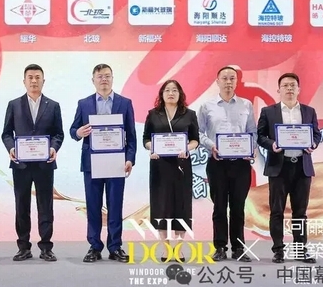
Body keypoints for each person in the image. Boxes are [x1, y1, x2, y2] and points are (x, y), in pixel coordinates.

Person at [70, 63, 137, 263]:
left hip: (117, 163)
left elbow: (131, 136)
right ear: (93, 80)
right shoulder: (84, 103)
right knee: (93, 206)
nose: (104, 80)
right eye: (100, 76)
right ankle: (94, 246)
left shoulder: (125, 103)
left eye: (107, 76)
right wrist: (78, 133)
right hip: (92, 163)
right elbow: (73, 130)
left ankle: (115, 247)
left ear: (112, 78)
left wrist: (129, 159)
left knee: (115, 206)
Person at [1, 64, 65, 262]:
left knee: (45, 205)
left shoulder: (53, 105)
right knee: (22, 205)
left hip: (45, 164)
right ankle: (23, 247)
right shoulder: (14, 104)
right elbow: (6, 133)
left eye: (38, 77)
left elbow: (59, 134)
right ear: (24, 81)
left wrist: (53, 148)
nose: (34, 81)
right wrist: (11, 148)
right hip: (21, 164)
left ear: (43, 81)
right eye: (30, 77)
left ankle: (46, 247)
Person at [256, 72, 321, 264]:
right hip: (279, 167)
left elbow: (316, 134)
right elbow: (260, 136)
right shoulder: (268, 112)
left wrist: (313, 144)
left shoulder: (309, 111)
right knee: (277, 211)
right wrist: (272, 145)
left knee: (300, 212)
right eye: (285, 85)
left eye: (293, 85)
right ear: (279, 90)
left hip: (302, 167)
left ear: (299, 89)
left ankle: (300, 250)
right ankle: (278, 250)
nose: (289, 88)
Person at [197, 66, 257, 262]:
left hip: (241, 164)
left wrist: (251, 148)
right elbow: (198, 133)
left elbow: (253, 132)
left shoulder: (246, 105)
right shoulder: (207, 106)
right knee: (219, 207)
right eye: (225, 78)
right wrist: (211, 146)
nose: (228, 82)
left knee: (238, 207)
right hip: (217, 163)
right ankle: (220, 247)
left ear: (237, 81)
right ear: (217, 81)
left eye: (232, 78)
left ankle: (238, 248)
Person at [142, 79, 200, 262]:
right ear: (162, 94)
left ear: (180, 93)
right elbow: (146, 139)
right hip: (160, 166)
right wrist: (152, 148)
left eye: (174, 90)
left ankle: (179, 248)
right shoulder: (153, 114)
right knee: (161, 206)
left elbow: (195, 140)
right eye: (167, 90)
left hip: (181, 165)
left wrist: (187, 148)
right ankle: (166, 248)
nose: (171, 93)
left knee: (181, 205)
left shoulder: (189, 114)